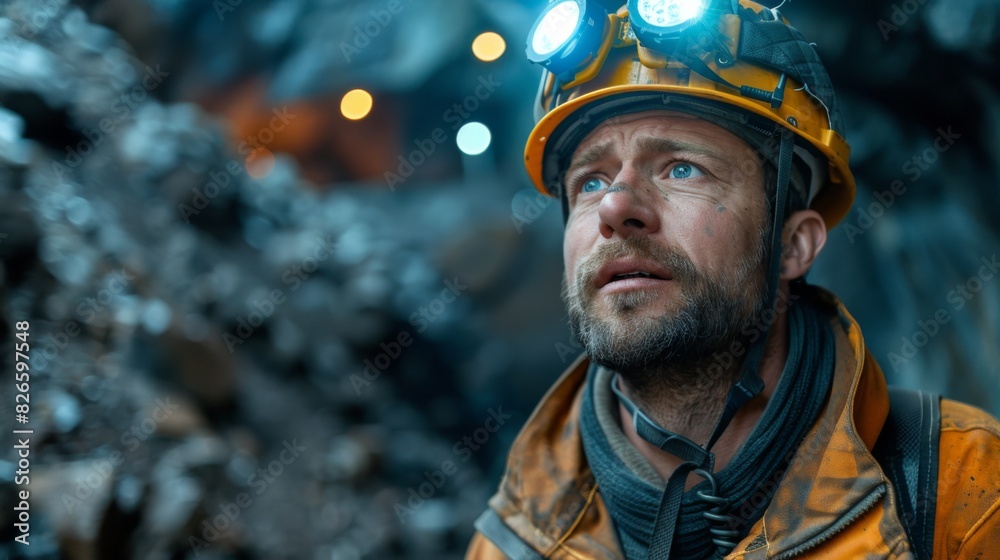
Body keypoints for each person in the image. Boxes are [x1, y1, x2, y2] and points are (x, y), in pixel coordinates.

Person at [466, 1, 1000, 558]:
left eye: (681, 168)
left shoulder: (960, 489)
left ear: (794, 245)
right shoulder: (512, 541)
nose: (616, 206)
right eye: (591, 181)